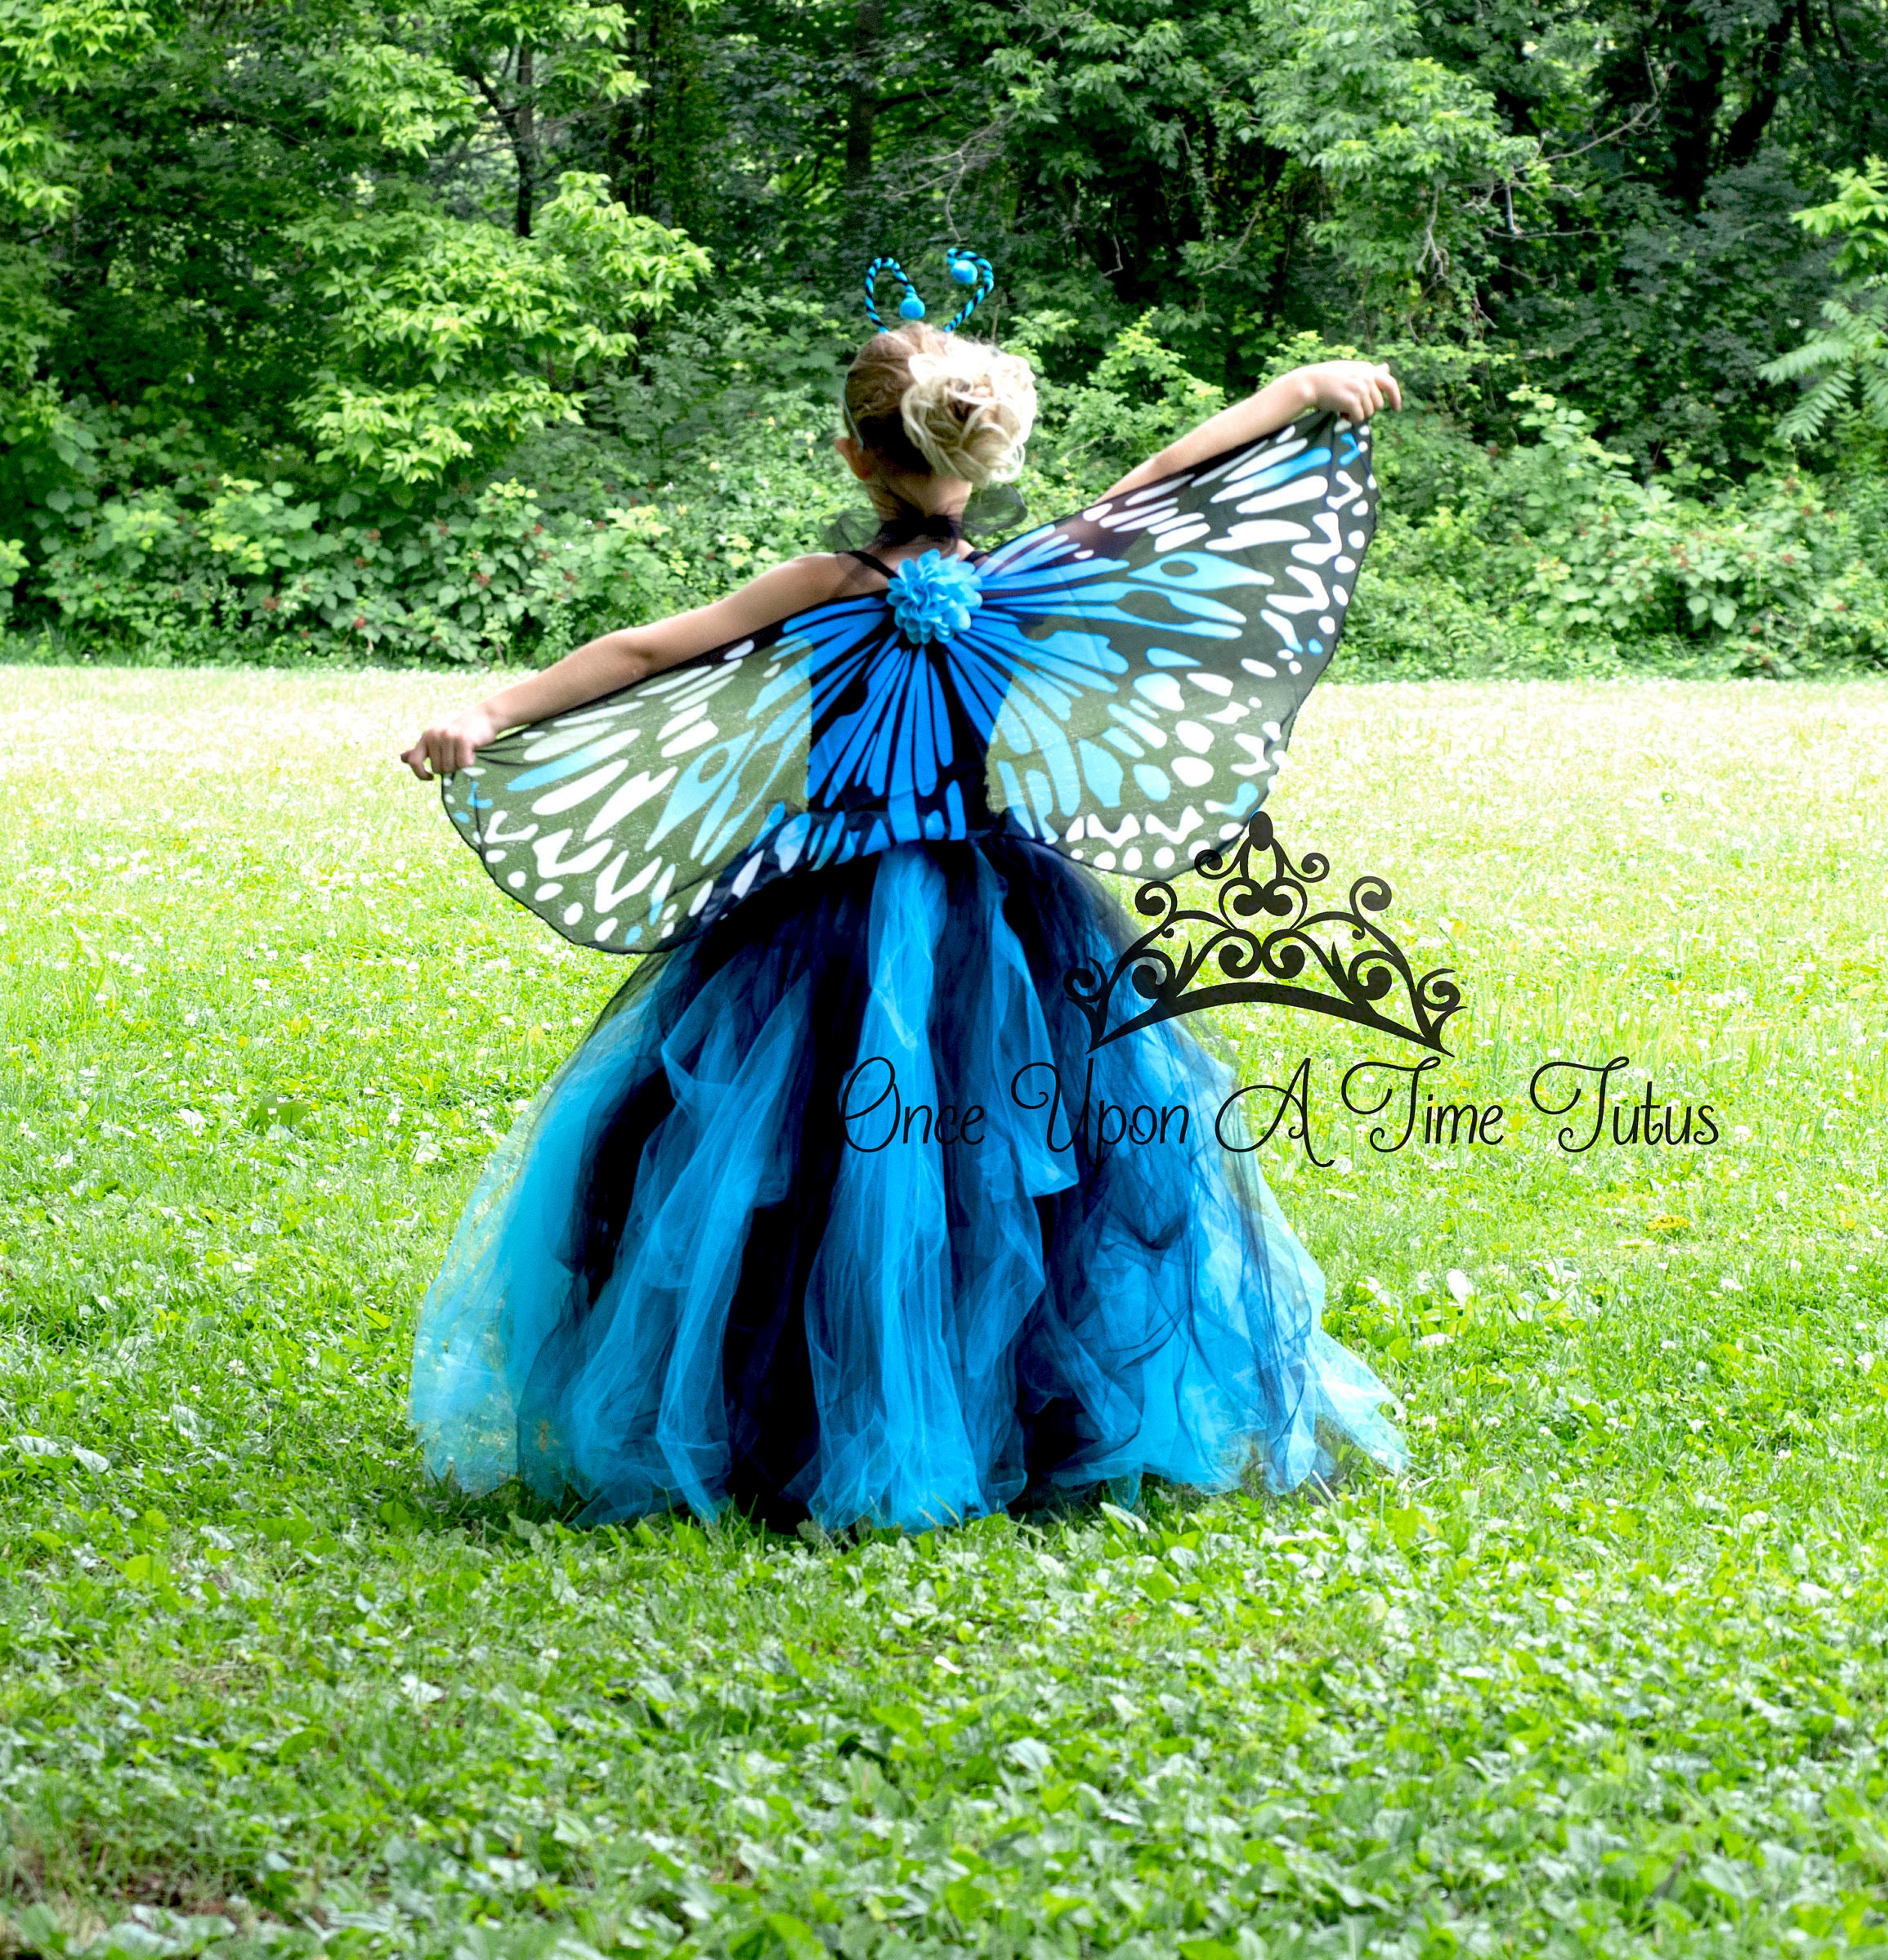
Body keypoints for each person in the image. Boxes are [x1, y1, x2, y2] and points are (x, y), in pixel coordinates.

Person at [401, 309, 1406, 1533]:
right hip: (1005, 922)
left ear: (852, 455)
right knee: (1005, 1166)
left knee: (795, 1165)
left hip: (821, 916)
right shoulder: (1022, 579)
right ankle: (1005, 1410)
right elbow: (1164, 485)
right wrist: (1294, 383)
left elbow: (642, 648)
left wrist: (491, 713)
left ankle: (784, 1416)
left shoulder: (822, 584)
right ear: (989, 456)